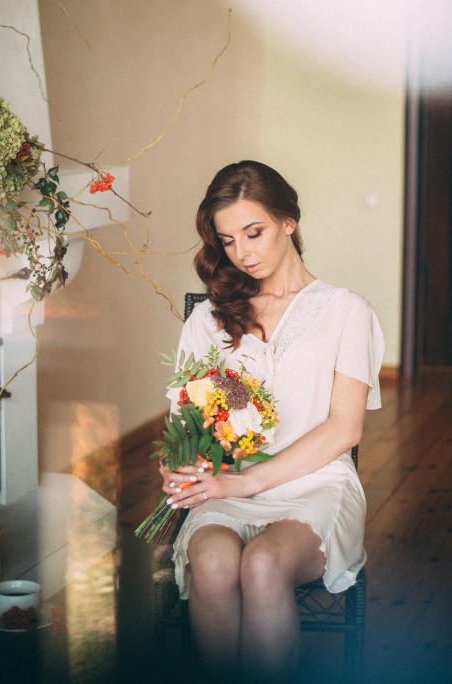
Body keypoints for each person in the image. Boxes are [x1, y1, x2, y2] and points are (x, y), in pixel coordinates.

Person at [160, 160, 385, 680]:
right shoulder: (207, 317)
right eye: (228, 240)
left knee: (263, 564)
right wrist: (176, 468)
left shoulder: (347, 312)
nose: (243, 252)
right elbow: (183, 425)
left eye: (254, 232)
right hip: (225, 485)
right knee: (212, 563)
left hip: (316, 484)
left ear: (288, 220)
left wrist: (246, 481)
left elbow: (344, 429)